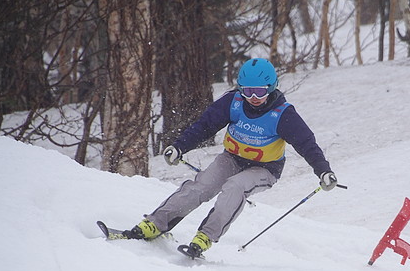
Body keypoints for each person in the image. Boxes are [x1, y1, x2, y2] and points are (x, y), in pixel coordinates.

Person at [123, 57, 338, 258]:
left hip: (265, 169)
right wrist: (179, 147)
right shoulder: (233, 102)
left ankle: (205, 236)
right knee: (202, 186)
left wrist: (324, 171)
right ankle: (154, 224)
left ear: (271, 87)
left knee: (235, 187)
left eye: (259, 92)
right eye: (247, 91)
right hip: (232, 159)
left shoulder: (283, 114)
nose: (253, 98)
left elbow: (307, 145)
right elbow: (205, 126)